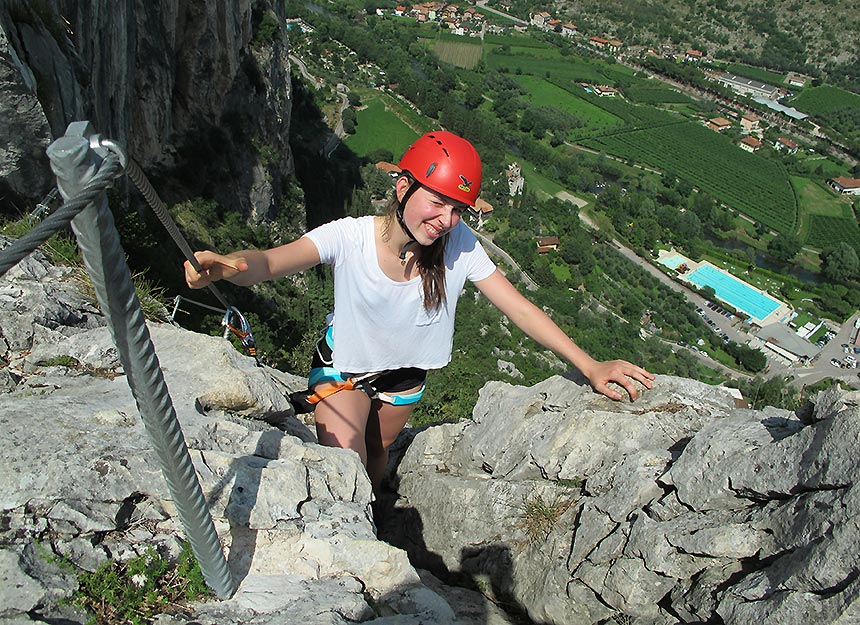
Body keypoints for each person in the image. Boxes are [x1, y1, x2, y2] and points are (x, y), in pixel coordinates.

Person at [185, 131, 654, 494]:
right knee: (348, 469)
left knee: (379, 454)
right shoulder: (349, 237)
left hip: (405, 378)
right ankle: (360, 533)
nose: (446, 220)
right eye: (438, 202)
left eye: (457, 210)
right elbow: (271, 261)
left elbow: (521, 309)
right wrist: (228, 267)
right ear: (403, 187)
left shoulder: (458, 244)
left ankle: (377, 510)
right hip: (344, 368)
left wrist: (589, 365)